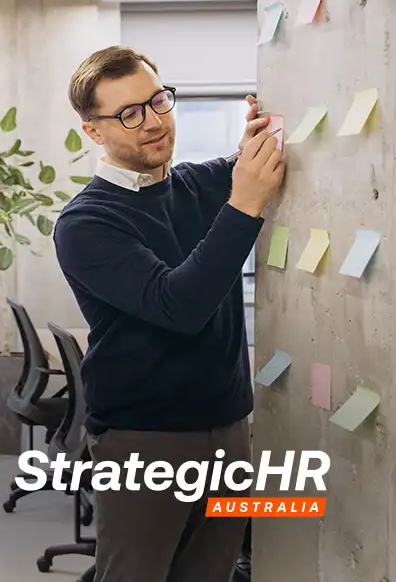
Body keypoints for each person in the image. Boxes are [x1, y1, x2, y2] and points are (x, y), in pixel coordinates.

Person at [53, 46, 284, 582]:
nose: (153, 122)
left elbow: (259, 166)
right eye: (129, 114)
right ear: (93, 132)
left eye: (158, 101)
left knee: (214, 573)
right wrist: (244, 204)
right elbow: (178, 305)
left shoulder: (201, 184)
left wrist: (259, 143)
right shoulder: (86, 223)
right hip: (145, 440)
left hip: (228, 429)